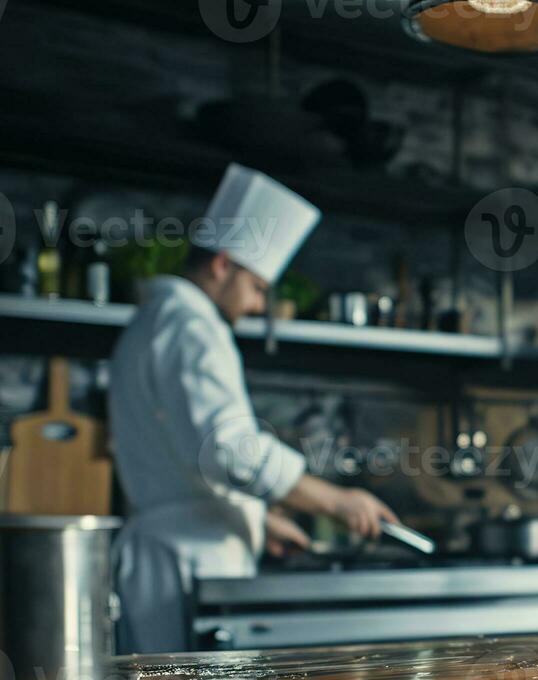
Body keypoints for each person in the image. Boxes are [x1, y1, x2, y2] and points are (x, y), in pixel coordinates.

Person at [109, 164, 396, 654]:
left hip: (172, 555)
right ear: (222, 265)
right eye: (258, 287)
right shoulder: (195, 329)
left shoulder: (154, 322)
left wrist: (256, 519)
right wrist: (336, 501)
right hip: (191, 564)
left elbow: (182, 454)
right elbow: (229, 451)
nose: (260, 306)